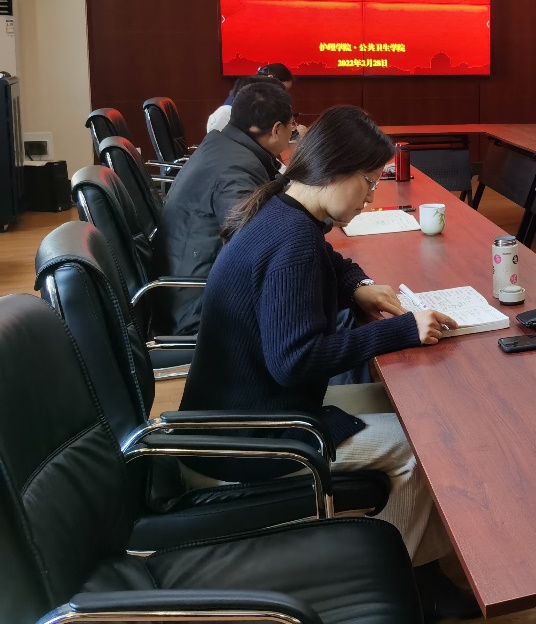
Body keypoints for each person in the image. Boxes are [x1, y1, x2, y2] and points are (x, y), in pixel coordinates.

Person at [179, 106, 477, 619]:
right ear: (335, 169)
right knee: (423, 445)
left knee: (407, 408)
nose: (370, 196)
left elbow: (327, 263)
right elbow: (295, 362)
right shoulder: (293, 240)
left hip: (231, 415)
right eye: (369, 181)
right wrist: (400, 330)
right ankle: (384, 584)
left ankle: (423, 575)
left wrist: (357, 287)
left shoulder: (283, 207)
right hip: (245, 442)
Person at [152, 79, 294, 335]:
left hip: (187, 291)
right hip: (199, 312)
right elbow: (257, 249)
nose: (292, 132)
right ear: (276, 129)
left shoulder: (223, 145)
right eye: (291, 126)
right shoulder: (237, 171)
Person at [208, 62, 295, 133]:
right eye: (282, 89)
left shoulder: (254, 99)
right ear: (270, 78)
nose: (282, 94)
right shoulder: (228, 112)